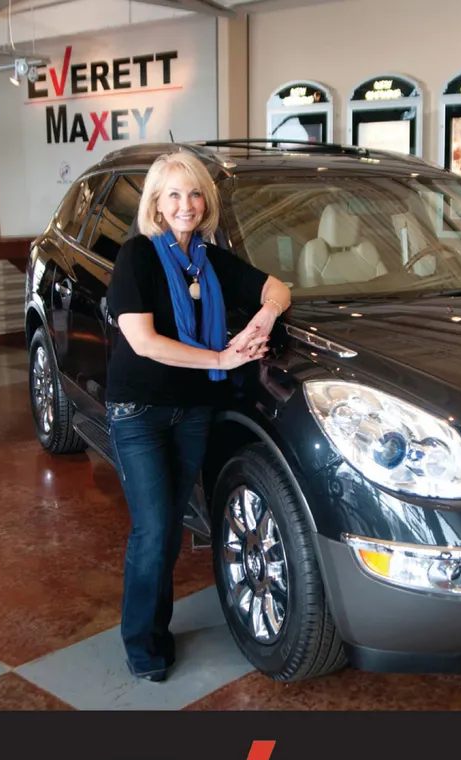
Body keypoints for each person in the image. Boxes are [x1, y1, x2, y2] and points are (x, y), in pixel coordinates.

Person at [106, 150, 291, 682]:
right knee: (154, 529)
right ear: (156, 204)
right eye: (173, 195)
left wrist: (265, 314)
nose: (185, 204)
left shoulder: (209, 262)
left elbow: (277, 288)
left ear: (205, 201)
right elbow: (143, 341)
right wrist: (221, 359)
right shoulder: (138, 255)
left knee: (168, 528)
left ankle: (155, 630)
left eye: (193, 194)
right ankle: (143, 645)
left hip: (191, 412)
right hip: (139, 411)